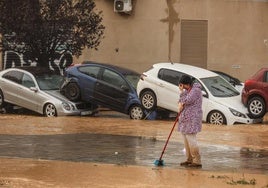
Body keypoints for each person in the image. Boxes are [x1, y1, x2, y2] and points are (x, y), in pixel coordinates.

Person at [177, 74, 203, 168]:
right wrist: (182, 93)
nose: (182, 87)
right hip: (185, 119)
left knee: (191, 139)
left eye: (182, 85)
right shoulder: (188, 90)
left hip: (192, 119)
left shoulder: (195, 90)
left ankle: (197, 160)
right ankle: (189, 159)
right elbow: (180, 101)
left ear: (186, 84)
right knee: (185, 138)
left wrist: (182, 92)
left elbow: (186, 100)